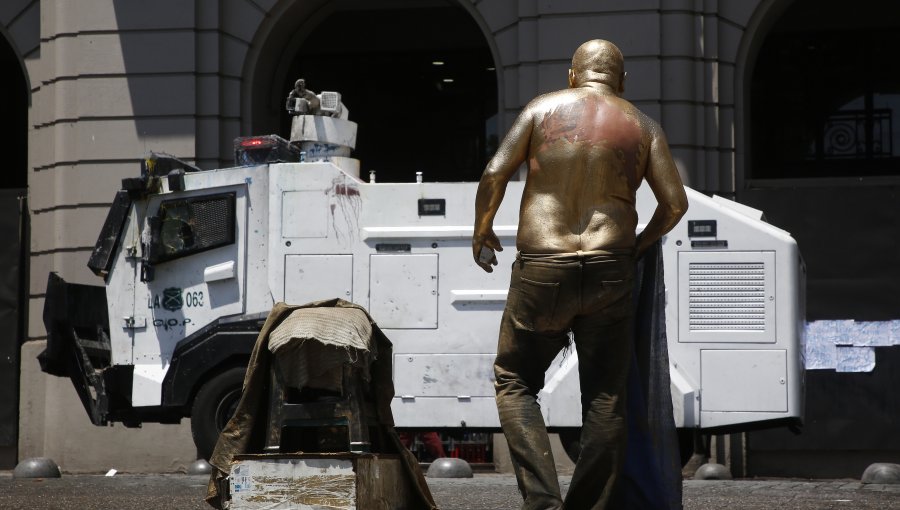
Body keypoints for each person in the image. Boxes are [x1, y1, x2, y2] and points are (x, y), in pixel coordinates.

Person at [472, 39, 688, 510]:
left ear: (574, 75)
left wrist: (482, 229)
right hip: (611, 268)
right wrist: (636, 246)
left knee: (514, 380)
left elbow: (493, 174)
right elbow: (675, 204)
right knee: (606, 397)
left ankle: (544, 502)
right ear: (621, 80)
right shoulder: (643, 126)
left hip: (542, 267)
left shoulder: (541, 109)